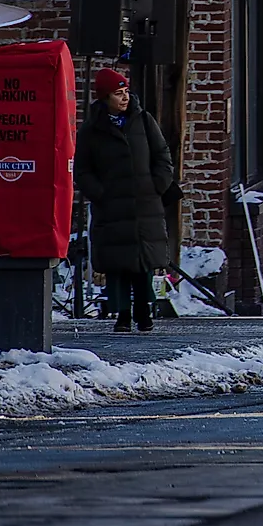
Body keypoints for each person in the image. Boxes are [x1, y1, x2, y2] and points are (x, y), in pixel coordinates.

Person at [77, 67, 175, 334]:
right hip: (112, 206)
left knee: (142, 261)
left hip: (144, 203)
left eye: (126, 93)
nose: (124, 99)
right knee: (117, 263)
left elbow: (162, 154)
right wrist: (100, 193)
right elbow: (83, 169)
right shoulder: (92, 130)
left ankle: (144, 312)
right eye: (118, 94)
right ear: (105, 97)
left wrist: (157, 184)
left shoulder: (143, 121)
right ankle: (122, 314)